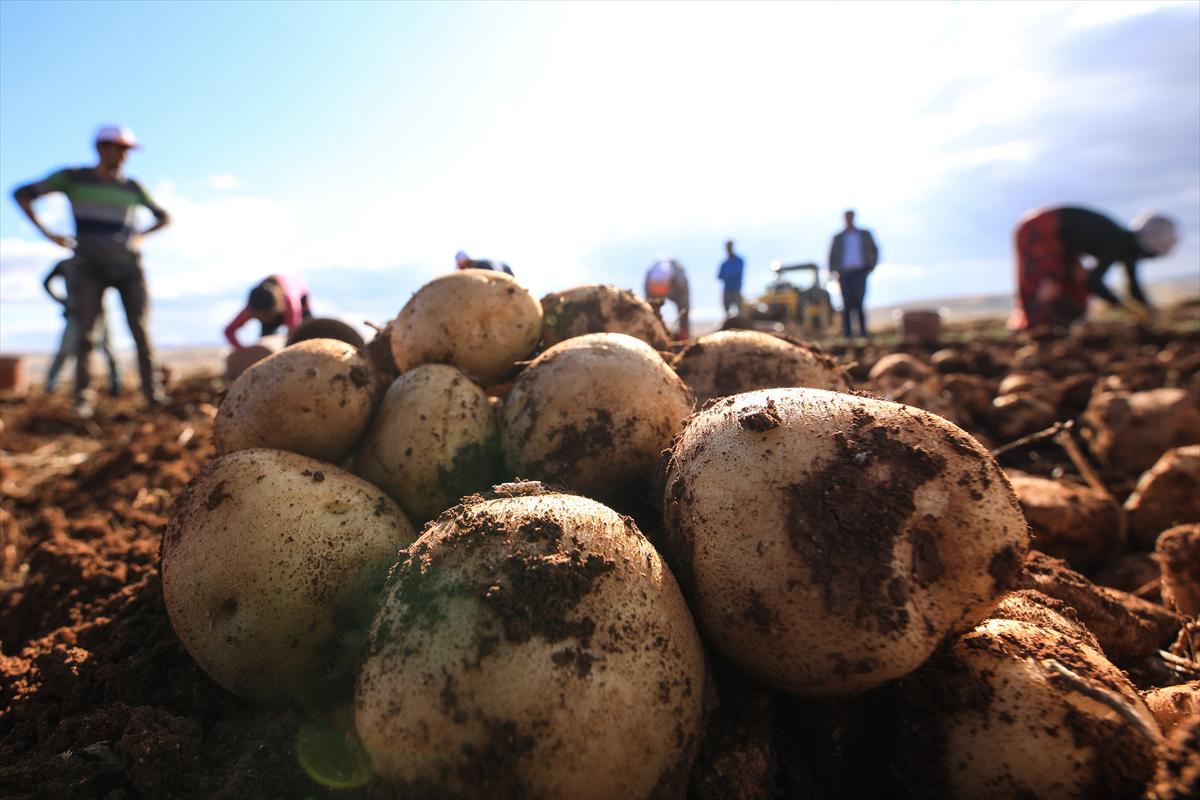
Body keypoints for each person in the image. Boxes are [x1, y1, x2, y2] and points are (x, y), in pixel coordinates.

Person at [13, 125, 170, 417]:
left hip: (127, 266)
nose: (124, 156)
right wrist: (47, 233)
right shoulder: (74, 178)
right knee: (85, 335)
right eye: (119, 149)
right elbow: (23, 193)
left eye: (127, 151)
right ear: (101, 148)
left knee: (141, 332)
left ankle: (154, 396)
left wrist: (140, 237)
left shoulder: (132, 187)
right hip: (88, 265)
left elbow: (164, 217)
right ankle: (82, 400)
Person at [1009, 206, 1178, 331]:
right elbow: (1094, 282)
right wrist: (1122, 306)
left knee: (1074, 283)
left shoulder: (1126, 248)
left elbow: (1133, 286)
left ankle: (1057, 326)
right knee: (1046, 284)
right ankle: (1031, 328)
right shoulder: (1117, 244)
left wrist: (1147, 310)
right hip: (1040, 227)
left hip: (1062, 240)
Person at [42, 258, 122, 396]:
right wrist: (64, 301)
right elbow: (46, 282)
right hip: (76, 314)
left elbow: (118, 279)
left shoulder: (98, 262)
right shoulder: (67, 264)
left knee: (108, 349)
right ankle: (51, 386)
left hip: (98, 313)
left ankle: (116, 387)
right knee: (66, 350)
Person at [828, 209, 880, 340]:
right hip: (844, 273)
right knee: (846, 302)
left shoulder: (864, 234)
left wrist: (871, 266)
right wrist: (832, 270)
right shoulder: (839, 237)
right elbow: (832, 255)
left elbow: (874, 250)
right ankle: (848, 333)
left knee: (859, 301)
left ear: (853, 218)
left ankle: (862, 332)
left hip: (860, 272)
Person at [224, 274, 313, 349]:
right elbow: (229, 331)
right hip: (273, 308)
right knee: (265, 343)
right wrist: (242, 351)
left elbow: (293, 331)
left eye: (266, 315)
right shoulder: (252, 308)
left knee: (306, 334)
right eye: (260, 317)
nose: (264, 318)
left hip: (301, 300)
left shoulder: (290, 302)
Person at [644, 257, 690, 340]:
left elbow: (684, 309)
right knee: (650, 311)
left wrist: (684, 332)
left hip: (678, 287)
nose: (660, 296)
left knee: (684, 313)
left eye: (661, 291)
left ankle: (684, 338)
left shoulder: (680, 283)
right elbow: (647, 310)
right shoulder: (648, 283)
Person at [717, 240, 745, 318]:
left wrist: (728, 276)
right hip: (727, 289)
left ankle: (742, 327)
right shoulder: (724, 263)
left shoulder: (739, 261)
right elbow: (719, 276)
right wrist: (729, 275)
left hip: (736, 289)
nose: (728, 248)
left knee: (740, 312)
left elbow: (737, 273)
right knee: (726, 313)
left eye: (729, 246)